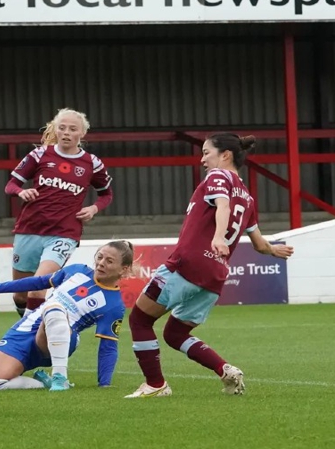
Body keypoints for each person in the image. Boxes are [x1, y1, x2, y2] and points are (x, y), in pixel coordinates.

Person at [125, 133, 294, 399]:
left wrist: (217, 236)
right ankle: (225, 370)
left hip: (188, 264)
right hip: (215, 276)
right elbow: (260, 245)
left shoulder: (218, 176)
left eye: (206, 152)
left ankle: (155, 385)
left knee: (140, 319)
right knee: (175, 333)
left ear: (225, 155)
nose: (203, 159)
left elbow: (222, 206)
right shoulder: (248, 197)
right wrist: (274, 250)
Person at [0, 240, 132, 391]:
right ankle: (42, 383)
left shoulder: (114, 305)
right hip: (26, 329)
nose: (101, 263)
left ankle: (60, 376)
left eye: (109, 261)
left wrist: (104, 384)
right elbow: (38, 282)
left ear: (123, 269)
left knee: (54, 308)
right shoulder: (77, 270)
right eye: (100, 257)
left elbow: (108, 347)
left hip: (61, 338)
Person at [5, 108, 114, 317]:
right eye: (62, 128)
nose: (66, 132)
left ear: (82, 133)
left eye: (73, 129)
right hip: (29, 229)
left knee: (38, 286)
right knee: (21, 295)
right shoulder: (39, 155)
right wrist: (21, 191)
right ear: (55, 129)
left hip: (64, 233)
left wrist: (93, 208)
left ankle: (26, 335)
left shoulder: (92, 163)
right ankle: (28, 320)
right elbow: (11, 185)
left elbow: (106, 195)